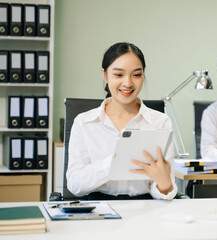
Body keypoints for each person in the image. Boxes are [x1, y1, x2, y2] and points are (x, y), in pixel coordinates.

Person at [66, 42, 178, 200]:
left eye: (136, 75)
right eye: (118, 75)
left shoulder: (160, 122)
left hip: (146, 209)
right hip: (100, 209)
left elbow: (166, 189)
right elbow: (75, 185)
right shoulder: (84, 122)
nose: (128, 83)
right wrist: (113, 162)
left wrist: (164, 184)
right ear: (104, 75)